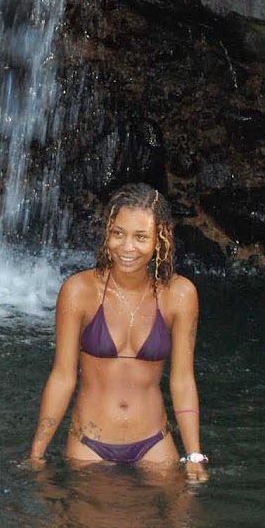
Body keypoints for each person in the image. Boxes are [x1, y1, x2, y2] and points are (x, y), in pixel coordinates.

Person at [29, 183, 208, 479]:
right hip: (90, 443)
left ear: (160, 239)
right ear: (107, 233)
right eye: (118, 233)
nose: (127, 248)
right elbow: (62, 376)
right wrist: (37, 453)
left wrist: (194, 455)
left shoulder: (179, 294)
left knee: (177, 524)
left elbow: (183, 380)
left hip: (155, 442)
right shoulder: (79, 291)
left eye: (140, 237)